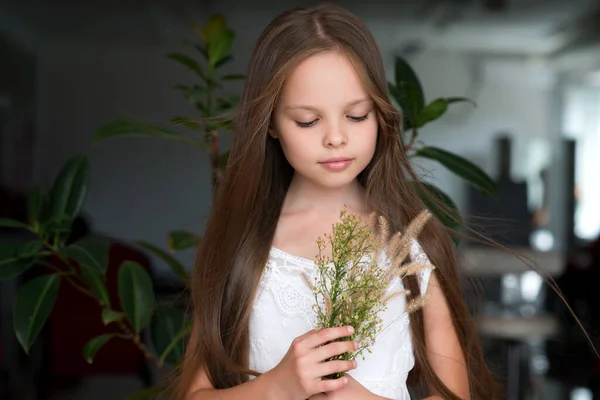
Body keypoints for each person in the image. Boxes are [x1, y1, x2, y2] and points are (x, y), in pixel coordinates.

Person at [175, 3, 498, 400]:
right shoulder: (240, 241)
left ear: (380, 114)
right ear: (271, 122)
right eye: (308, 121)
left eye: (357, 116)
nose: (335, 138)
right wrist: (277, 387)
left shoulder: (409, 245)